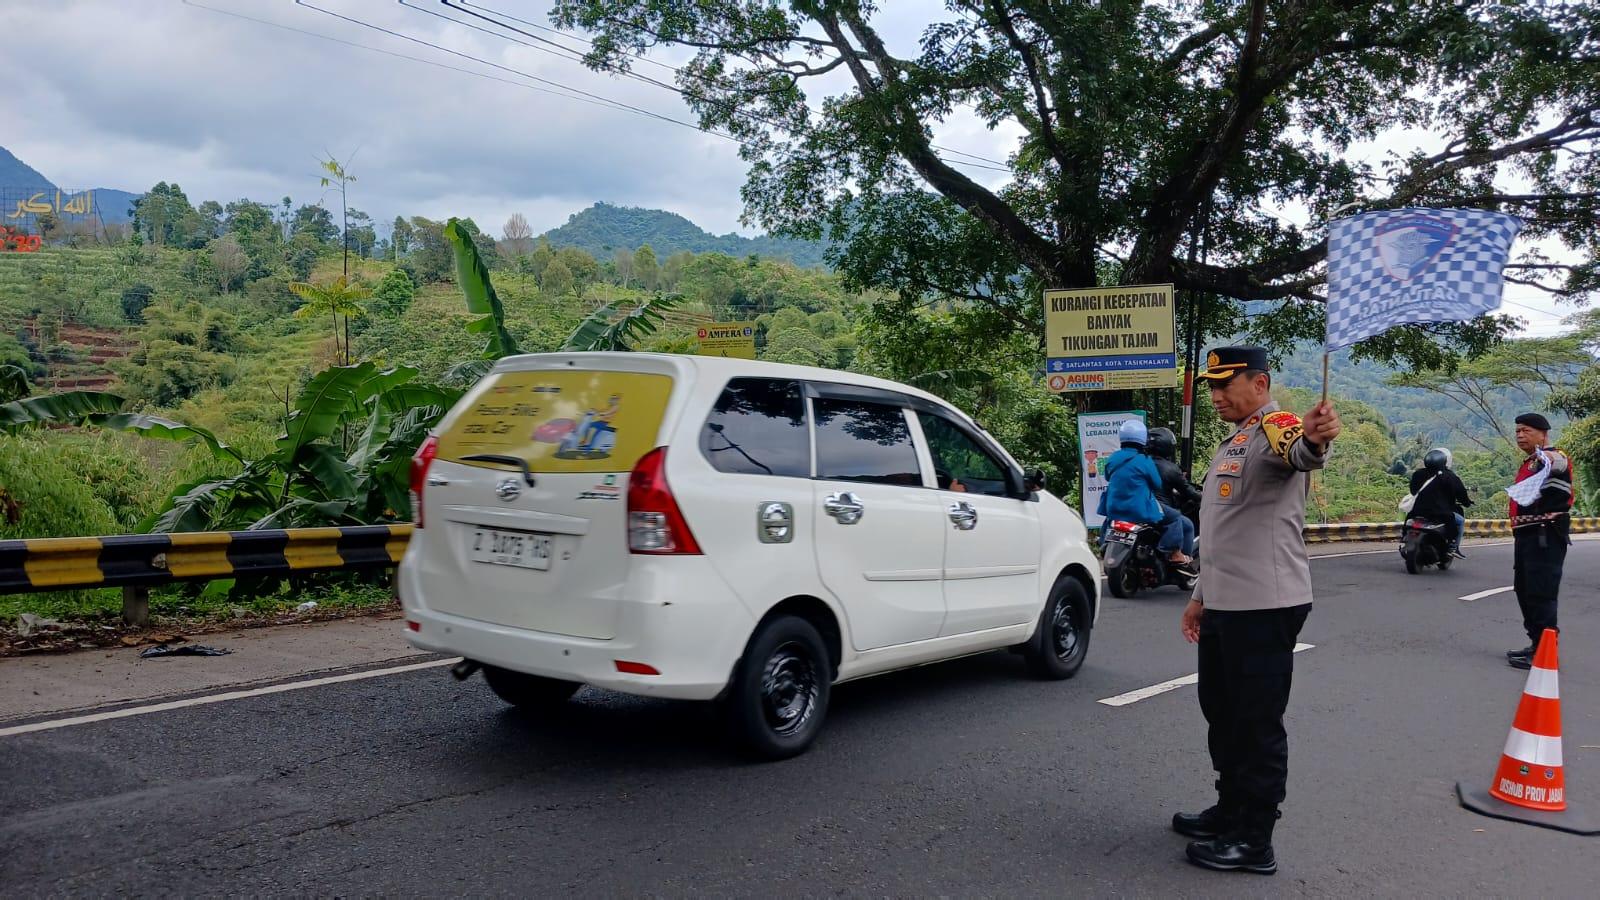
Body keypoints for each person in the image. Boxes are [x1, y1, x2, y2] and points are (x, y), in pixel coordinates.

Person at [1173, 346, 1340, 875]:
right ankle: (1229, 811)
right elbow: (1224, 532)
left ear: (1260, 383)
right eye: (1212, 387)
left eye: (1227, 385)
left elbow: (1304, 452)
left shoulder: (1278, 426)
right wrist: (1200, 596)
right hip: (1226, 602)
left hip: (1265, 606)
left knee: (1256, 724)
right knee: (1221, 715)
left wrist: (1316, 436)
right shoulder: (1235, 437)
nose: (1217, 396)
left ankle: (1254, 839)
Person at [1505, 413, 1574, 670]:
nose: (1520, 435)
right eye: (1518, 431)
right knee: (1524, 589)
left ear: (1543, 433)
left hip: (1545, 535)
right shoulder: (1530, 463)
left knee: (1541, 592)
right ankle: (1536, 643)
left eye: (1526, 430)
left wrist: (1544, 454)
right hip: (1526, 535)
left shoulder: (1554, 457)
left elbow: (1556, 463)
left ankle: (1546, 652)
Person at [1100, 419, 1195, 569]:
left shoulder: (1112, 458)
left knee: (1109, 520)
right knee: (1175, 518)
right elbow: (1156, 483)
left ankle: (1104, 543)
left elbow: (1107, 476)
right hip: (1139, 508)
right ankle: (1169, 551)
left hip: (1113, 506)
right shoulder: (1144, 461)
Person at [1407, 448, 1473, 559]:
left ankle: (1406, 537)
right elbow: (1461, 494)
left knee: (1409, 522)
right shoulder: (1450, 476)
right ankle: (1453, 546)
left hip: (1418, 511)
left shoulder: (1418, 474)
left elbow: (1413, 491)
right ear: (1445, 461)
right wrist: (1467, 503)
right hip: (1440, 513)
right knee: (1460, 521)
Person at [1147, 426, 1203, 542]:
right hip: (1159, 508)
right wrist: (1204, 496)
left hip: (1137, 506)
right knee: (1187, 526)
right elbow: (1188, 491)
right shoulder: (1171, 468)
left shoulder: (1139, 462)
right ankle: (1181, 558)